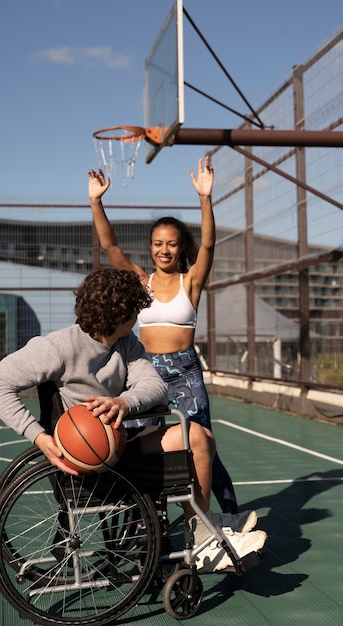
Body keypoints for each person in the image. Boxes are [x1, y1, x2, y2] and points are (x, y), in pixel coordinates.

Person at [0, 268, 266, 573]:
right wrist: (39, 436)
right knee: (188, 444)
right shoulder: (56, 348)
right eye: (135, 313)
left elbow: (155, 386)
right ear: (120, 314)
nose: (138, 319)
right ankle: (207, 530)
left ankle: (202, 528)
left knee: (198, 436)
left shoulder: (125, 344)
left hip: (119, 446)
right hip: (90, 462)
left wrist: (123, 402)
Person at [88, 156, 241, 516]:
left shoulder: (192, 281)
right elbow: (111, 249)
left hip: (185, 370)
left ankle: (227, 515)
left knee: (203, 442)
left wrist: (205, 197)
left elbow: (208, 247)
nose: (164, 250)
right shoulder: (143, 282)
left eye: (171, 243)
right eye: (158, 243)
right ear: (152, 246)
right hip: (145, 371)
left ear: (179, 247)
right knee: (140, 444)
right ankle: (142, 519)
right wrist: (96, 201)